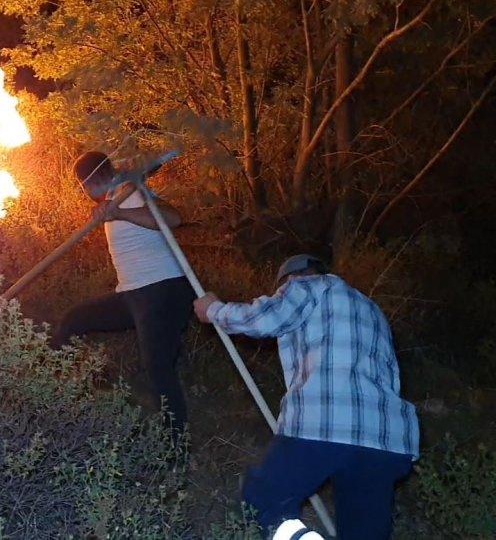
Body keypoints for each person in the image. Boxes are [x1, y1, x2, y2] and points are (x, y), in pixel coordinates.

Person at [194, 254, 420, 540]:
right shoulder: (371, 308)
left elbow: (262, 318)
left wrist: (213, 309)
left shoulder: (308, 286)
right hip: (385, 440)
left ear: (291, 278)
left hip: (325, 425)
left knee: (262, 502)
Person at [51, 150, 192, 434]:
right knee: (74, 320)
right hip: (132, 294)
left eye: (83, 188)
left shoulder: (132, 192)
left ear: (88, 184)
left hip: (161, 289)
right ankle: (58, 387)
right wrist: (113, 209)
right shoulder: (119, 193)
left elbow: (173, 218)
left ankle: (175, 448)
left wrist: (120, 212)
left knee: (157, 367)